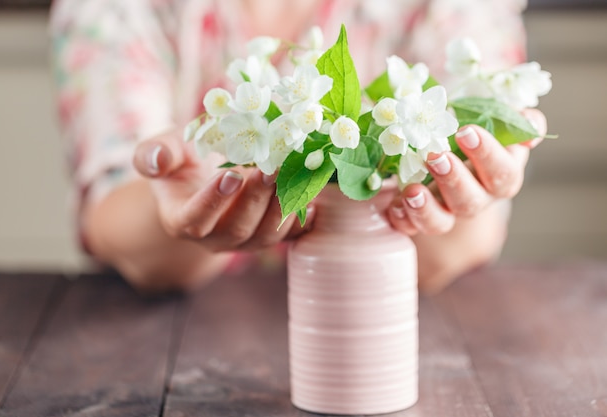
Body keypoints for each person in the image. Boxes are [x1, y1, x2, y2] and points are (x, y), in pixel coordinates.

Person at [50, 0, 546, 294]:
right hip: (180, 331)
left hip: (394, 316)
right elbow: (114, 215)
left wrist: (464, 186)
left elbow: (460, 246)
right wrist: (173, 201)